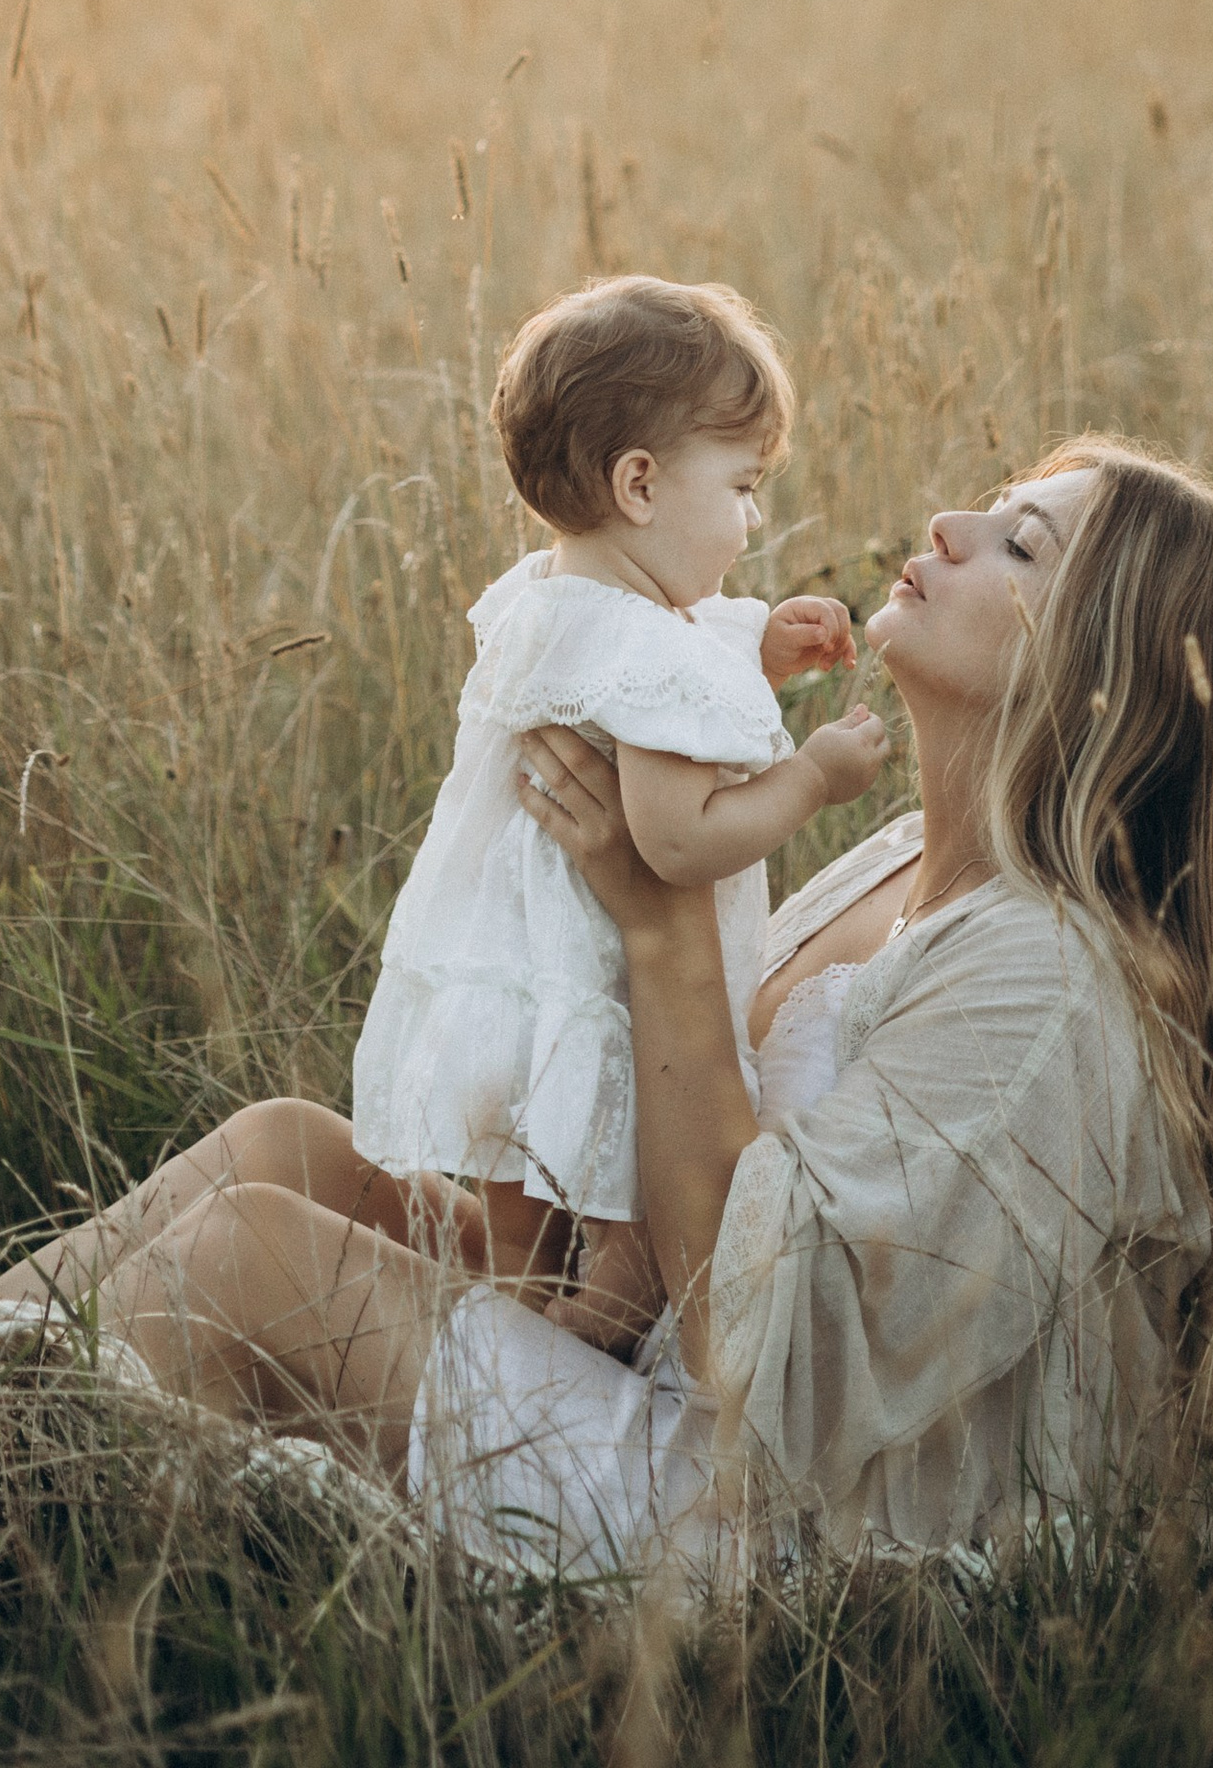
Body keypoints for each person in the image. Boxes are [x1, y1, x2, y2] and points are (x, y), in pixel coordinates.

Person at [0, 436, 1213, 1576]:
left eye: (1023, 546)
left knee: (252, 1255)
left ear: (1108, 682)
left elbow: (769, 1364)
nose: (952, 524)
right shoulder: (900, 856)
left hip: (768, 1528)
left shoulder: (1048, 982)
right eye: (993, 504)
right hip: (665, 1365)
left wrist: (659, 924)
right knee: (281, 1149)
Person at [349, 275, 889, 1354]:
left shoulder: (551, 601)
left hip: (512, 976)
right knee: (622, 1223)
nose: (751, 520)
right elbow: (677, 838)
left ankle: (496, 1337)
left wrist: (757, 656)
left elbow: (639, 703)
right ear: (640, 483)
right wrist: (812, 779)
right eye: (741, 487)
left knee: (512, 1235)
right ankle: (593, 1336)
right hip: (604, 987)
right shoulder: (653, 653)